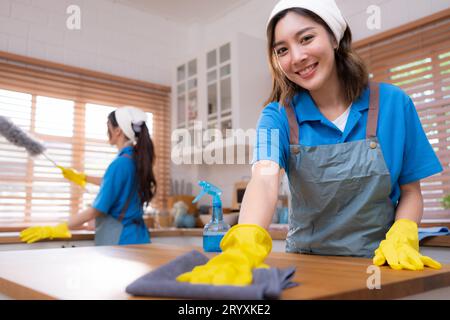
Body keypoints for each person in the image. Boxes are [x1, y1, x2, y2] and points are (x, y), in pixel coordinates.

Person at [176, 0, 443, 286]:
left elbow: (411, 191)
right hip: (306, 265)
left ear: (334, 37)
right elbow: (265, 180)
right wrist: (243, 244)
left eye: (306, 38)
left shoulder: (394, 103)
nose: (297, 56)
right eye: (282, 50)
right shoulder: (276, 115)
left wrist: (403, 232)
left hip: (379, 265)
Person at [20, 106, 157, 246]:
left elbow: (96, 210)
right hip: (138, 237)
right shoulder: (134, 160)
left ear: (117, 131)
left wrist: (58, 228)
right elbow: (116, 183)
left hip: (122, 241)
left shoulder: (120, 164)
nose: (106, 132)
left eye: (108, 127)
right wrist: (82, 177)